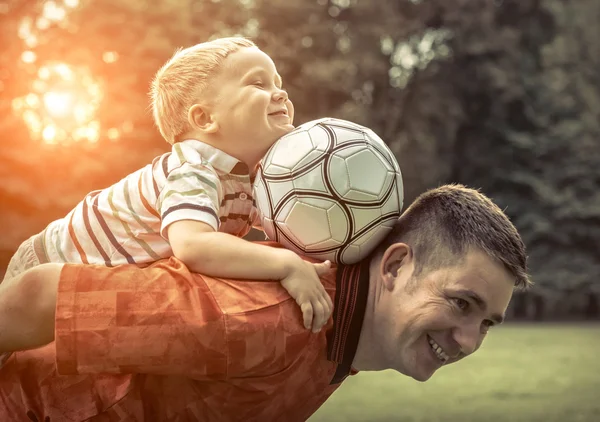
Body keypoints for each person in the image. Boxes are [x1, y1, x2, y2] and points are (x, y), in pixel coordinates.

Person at [0, 184, 530, 421]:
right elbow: (43, 296)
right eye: (462, 303)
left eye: (487, 323)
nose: (468, 342)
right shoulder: (264, 319)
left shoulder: (335, 344)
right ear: (394, 267)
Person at [2, 37, 332, 335]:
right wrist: (287, 265)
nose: (281, 93)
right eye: (257, 84)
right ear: (204, 120)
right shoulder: (194, 169)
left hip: (87, 278)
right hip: (47, 263)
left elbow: (282, 227)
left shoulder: (248, 178)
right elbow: (194, 246)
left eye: (278, 83)